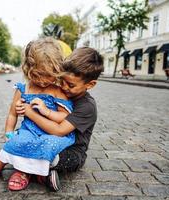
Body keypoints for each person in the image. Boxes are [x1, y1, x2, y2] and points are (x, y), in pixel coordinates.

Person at [0, 37, 76, 191]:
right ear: (28, 69)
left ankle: (24, 172)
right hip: (29, 130)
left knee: (47, 146)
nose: (42, 80)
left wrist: (46, 111)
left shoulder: (57, 91)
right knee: (16, 141)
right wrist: (9, 132)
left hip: (50, 133)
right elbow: (12, 114)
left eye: (48, 75)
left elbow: (65, 116)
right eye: (37, 75)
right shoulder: (24, 89)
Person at [15, 47, 104, 191]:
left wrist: (31, 113)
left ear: (90, 84)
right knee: (24, 137)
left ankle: (40, 170)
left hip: (71, 148)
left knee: (62, 157)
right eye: (62, 80)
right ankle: (41, 173)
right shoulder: (59, 90)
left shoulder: (87, 107)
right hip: (46, 136)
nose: (63, 87)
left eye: (71, 85)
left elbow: (59, 130)